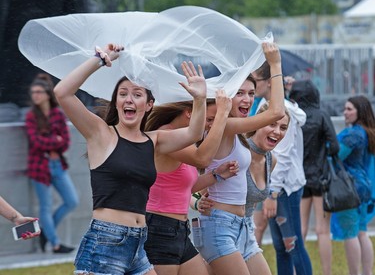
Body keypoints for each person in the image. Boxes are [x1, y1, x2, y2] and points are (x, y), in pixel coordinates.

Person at [53, 43, 207, 275]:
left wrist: (200, 99)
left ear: (149, 105)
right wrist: (99, 59)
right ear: (116, 101)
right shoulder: (101, 133)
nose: (128, 99)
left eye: (137, 95)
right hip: (105, 242)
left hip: (139, 243)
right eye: (123, 94)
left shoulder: (153, 141)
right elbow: (62, 92)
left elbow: (194, 133)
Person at [194, 42, 285, 275]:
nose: (247, 99)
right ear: (227, 97)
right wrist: (274, 63)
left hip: (243, 227)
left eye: (252, 94)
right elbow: (275, 112)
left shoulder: (237, 134)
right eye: (240, 93)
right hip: (219, 226)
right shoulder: (225, 125)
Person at [143, 90, 239, 275]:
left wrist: (216, 175)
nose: (210, 126)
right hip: (159, 228)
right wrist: (222, 115)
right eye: (209, 119)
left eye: (213, 120)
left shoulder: (183, 140)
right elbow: (202, 159)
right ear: (190, 112)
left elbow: (184, 187)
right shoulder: (166, 134)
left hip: (179, 228)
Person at [198, 102, 290, 275]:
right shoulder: (237, 151)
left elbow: (252, 202)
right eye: (272, 124)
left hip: (245, 229)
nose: (277, 131)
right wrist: (197, 203)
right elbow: (202, 191)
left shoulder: (271, 160)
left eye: (283, 127)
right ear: (258, 124)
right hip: (221, 227)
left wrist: (273, 196)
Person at [252, 62, 312, 275]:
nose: (252, 85)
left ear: (269, 82)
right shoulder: (268, 107)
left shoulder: (282, 111)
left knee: (293, 246)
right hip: (278, 188)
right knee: (281, 248)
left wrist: (272, 193)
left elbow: (282, 157)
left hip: (284, 190)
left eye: (255, 80)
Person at [288, 80, 339, 275]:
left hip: (298, 178)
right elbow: (335, 147)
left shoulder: (293, 116)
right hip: (321, 178)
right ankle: (326, 272)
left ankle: (295, 271)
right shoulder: (321, 116)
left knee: (300, 230)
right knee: (322, 230)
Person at [25, 73, 79, 253]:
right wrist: (54, 140)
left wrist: (52, 141)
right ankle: (55, 243)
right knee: (45, 206)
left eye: (39, 92)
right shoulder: (31, 116)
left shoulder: (57, 114)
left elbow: (66, 142)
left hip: (58, 166)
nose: (36, 95)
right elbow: (36, 142)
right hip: (40, 167)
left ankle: (45, 233)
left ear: (48, 94)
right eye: (33, 92)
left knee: (72, 201)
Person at [330, 95, 375, 275]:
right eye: (345, 109)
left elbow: (336, 156)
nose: (345, 113)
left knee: (351, 234)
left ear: (360, 112)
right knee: (362, 232)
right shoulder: (367, 131)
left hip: (350, 188)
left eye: (349, 109)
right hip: (364, 188)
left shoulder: (353, 134)